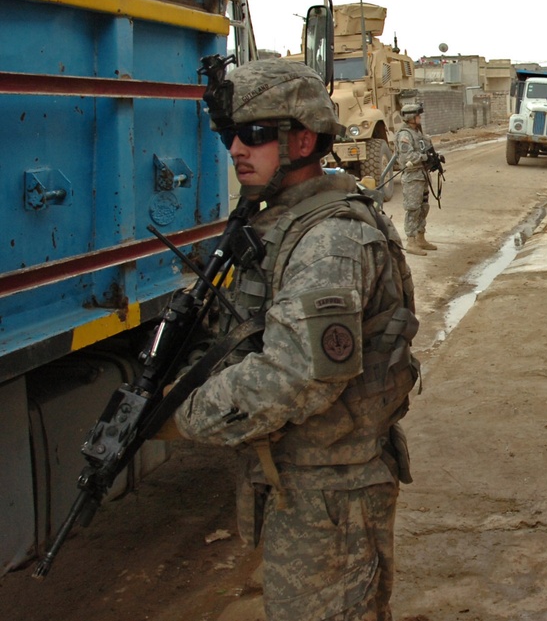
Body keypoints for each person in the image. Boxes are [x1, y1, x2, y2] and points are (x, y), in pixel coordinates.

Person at [159, 58, 420, 621]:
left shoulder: (329, 241)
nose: (236, 149)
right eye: (230, 135)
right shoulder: (278, 221)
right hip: (309, 485)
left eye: (255, 135)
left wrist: (182, 412)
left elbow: (295, 375)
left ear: (303, 139)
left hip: (334, 493)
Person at [394, 102, 438, 255]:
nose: (420, 118)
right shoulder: (404, 135)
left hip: (422, 175)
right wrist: (425, 157)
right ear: (411, 117)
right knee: (413, 209)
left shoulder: (418, 133)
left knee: (423, 207)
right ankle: (411, 241)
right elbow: (407, 156)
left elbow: (426, 148)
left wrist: (434, 159)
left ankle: (421, 237)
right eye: (418, 115)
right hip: (413, 177)